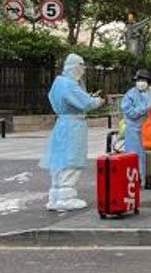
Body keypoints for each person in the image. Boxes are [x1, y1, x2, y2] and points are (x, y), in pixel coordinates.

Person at [40, 53, 105, 211]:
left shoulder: (58, 83)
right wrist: (98, 101)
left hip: (62, 124)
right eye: (81, 66)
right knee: (72, 160)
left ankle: (55, 196)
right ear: (75, 66)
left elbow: (74, 100)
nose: (83, 70)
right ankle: (66, 198)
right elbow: (85, 103)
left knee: (59, 160)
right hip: (73, 125)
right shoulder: (69, 85)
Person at [120, 68, 151, 181]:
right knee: (134, 156)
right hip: (135, 130)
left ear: (148, 81)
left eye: (143, 80)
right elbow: (129, 112)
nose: (140, 83)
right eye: (138, 80)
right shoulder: (130, 94)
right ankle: (135, 180)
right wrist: (144, 109)